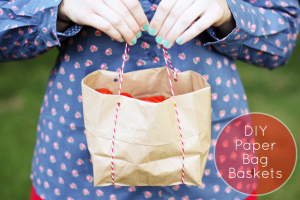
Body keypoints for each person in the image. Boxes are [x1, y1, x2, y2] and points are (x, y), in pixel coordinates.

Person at [0, 0, 299, 199]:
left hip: (214, 170)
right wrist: (60, 8)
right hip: (77, 172)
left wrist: (227, 12)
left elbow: (282, 39)